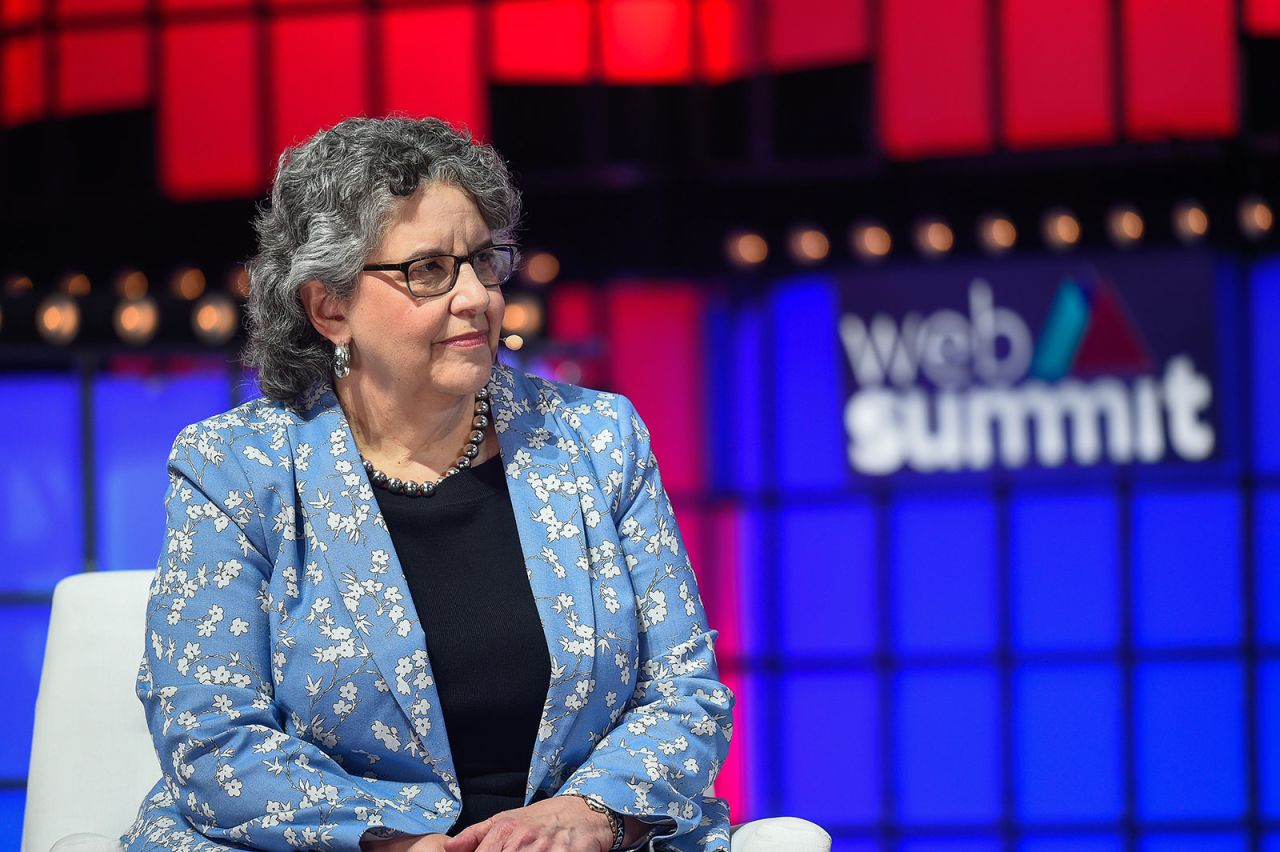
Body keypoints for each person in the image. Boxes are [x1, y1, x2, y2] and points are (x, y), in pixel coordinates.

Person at [119, 115, 734, 852]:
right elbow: (210, 734)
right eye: (429, 271)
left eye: (483, 260)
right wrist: (395, 844)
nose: (476, 296)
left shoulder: (599, 440)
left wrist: (589, 815)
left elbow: (685, 693)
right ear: (330, 307)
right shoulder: (235, 467)